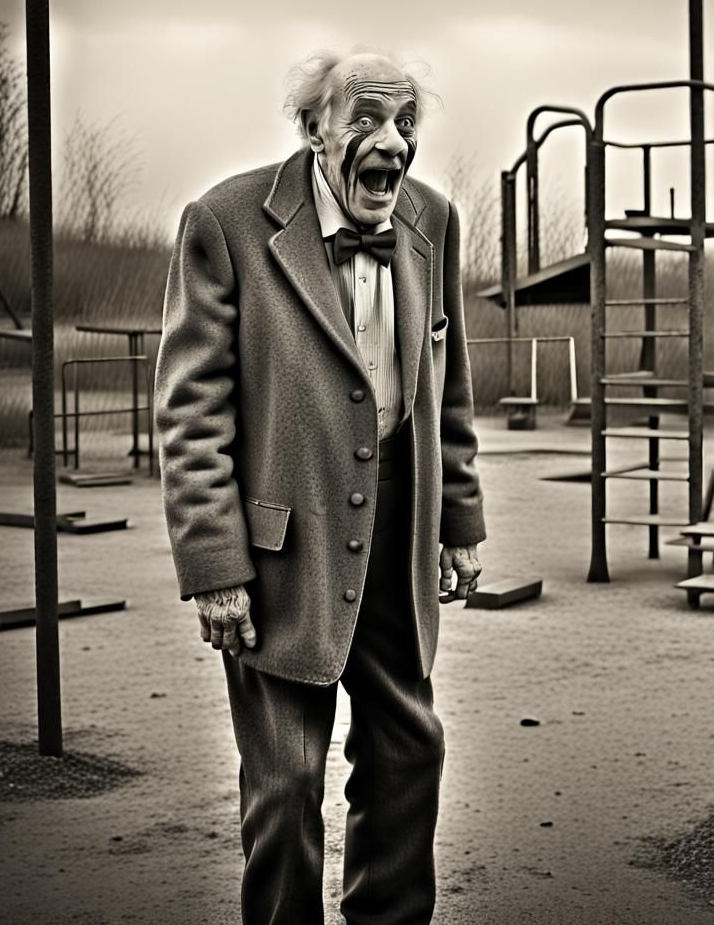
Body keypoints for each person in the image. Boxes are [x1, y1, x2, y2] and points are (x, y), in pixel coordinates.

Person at [154, 49, 486, 924]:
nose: (393, 142)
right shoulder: (225, 222)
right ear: (313, 130)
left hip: (393, 546)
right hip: (278, 559)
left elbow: (445, 386)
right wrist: (214, 562)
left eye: (407, 123)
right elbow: (191, 411)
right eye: (368, 120)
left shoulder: (433, 221)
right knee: (286, 787)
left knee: (408, 754)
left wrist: (459, 519)